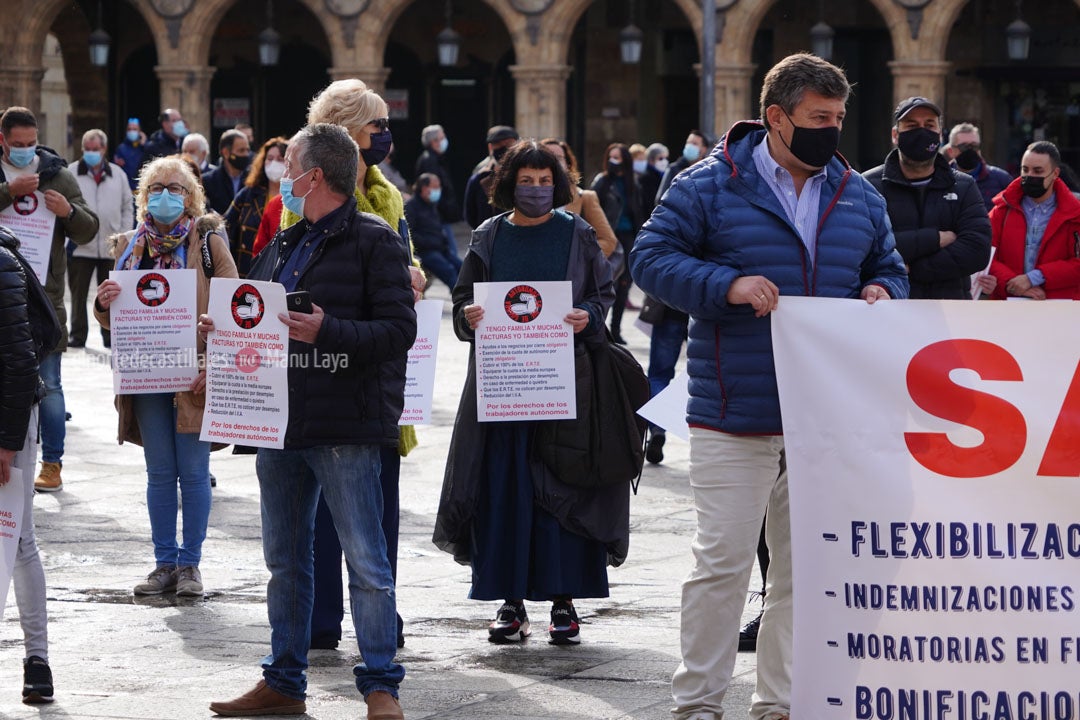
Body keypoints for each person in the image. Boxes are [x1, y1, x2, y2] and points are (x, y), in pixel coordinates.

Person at [629, 53, 909, 720]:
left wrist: (882, 289)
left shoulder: (858, 193)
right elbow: (649, 259)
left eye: (838, 118)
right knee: (722, 565)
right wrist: (725, 285)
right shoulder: (706, 186)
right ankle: (697, 705)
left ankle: (778, 703)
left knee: (803, 572)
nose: (832, 130)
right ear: (777, 117)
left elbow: (890, 266)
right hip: (734, 412)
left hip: (822, 422)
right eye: (820, 118)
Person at [207, 122, 414, 720]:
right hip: (279, 423)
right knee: (285, 561)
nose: (281, 176)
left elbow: (400, 332)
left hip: (346, 424)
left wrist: (329, 330)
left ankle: (381, 686)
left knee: (366, 562)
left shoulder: (377, 240)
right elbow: (255, 314)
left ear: (315, 175)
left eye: (289, 164)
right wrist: (221, 335)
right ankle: (283, 682)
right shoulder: (284, 243)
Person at [432, 139, 618, 647]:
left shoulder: (577, 233)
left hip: (564, 385)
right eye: (525, 180)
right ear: (508, 183)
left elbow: (603, 295)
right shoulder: (489, 236)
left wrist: (590, 318)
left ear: (556, 184)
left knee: (563, 491)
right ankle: (509, 602)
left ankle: (564, 602)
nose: (535, 189)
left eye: (544, 180)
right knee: (505, 491)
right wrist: (469, 315)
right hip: (504, 386)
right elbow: (465, 296)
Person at [282, 79, 424, 654]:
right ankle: (320, 622)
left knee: (375, 514)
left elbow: (397, 290)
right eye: (375, 127)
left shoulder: (387, 197)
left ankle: (379, 625)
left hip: (369, 375)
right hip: (314, 378)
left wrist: (411, 272)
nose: (386, 137)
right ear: (344, 134)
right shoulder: (297, 203)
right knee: (313, 520)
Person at [92, 156, 238, 596]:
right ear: (143, 198)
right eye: (156, 188)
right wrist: (103, 303)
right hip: (146, 377)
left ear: (190, 197)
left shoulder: (209, 244)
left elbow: (235, 307)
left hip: (193, 375)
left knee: (193, 472)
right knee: (158, 472)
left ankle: (190, 565)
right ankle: (163, 564)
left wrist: (214, 365)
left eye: (175, 188)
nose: (165, 195)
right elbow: (110, 319)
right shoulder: (127, 247)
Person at [0, 106, 99, 493]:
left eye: (31, 144)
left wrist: (68, 210)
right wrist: (10, 192)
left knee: (51, 385)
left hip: (44, 299)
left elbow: (89, 229)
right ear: (3, 140)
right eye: (17, 145)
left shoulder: (57, 174)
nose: (26, 151)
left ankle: (52, 462)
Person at [0, 225, 55, 704]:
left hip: (8, 421)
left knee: (17, 540)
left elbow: (19, 361)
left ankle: (37, 659)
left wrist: (6, 443)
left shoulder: (2, 260)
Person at [863, 97, 991, 299]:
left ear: (939, 135)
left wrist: (915, 268)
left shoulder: (964, 185)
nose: (921, 131)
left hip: (951, 314)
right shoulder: (869, 185)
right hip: (893, 310)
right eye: (912, 125)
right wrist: (936, 238)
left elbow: (976, 251)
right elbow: (868, 248)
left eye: (929, 125)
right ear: (895, 135)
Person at [977, 140, 1080, 300]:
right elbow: (985, 253)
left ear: (1055, 173)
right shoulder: (1002, 210)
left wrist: (1034, 277)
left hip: (1060, 308)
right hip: (1008, 305)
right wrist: (1013, 284)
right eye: (1025, 169)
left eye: (1038, 171)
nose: (1030, 175)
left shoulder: (1074, 213)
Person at [68, 129, 134, 349]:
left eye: (95, 149)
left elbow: (128, 206)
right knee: (78, 293)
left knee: (111, 294)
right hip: (80, 245)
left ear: (104, 149)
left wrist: (123, 237)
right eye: (87, 149)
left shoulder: (118, 174)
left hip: (111, 246)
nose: (91, 153)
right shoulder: (71, 172)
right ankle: (77, 334)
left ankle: (110, 335)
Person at [591, 142, 644, 343]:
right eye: (611, 156)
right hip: (608, 239)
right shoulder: (602, 182)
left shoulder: (633, 184)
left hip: (628, 238)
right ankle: (600, 330)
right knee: (605, 284)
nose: (614, 161)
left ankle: (616, 330)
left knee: (624, 285)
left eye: (618, 157)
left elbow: (639, 213)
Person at [539, 137, 619, 266]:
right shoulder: (526, 198)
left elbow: (608, 241)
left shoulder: (585, 198)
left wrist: (576, 258)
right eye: (547, 156)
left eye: (558, 157)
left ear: (568, 164)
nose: (552, 162)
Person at [223, 135, 286, 277]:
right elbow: (226, 224)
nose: (274, 163)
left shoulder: (294, 195)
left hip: (278, 271)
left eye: (280, 159)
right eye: (269, 159)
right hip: (246, 270)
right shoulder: (249, 193)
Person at [405, 173, 461, 290]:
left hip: (440, 249)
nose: (438, 190)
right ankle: (461, 301)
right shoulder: (411, 207)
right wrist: (430, 242)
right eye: (435, 187)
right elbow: (410, 234)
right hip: (425, 252)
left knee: (462, 267)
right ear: (424, 188)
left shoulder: (431, 205)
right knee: (449, 272)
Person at [415, 124, 462, 255]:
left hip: (440, 214)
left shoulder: (436, 159)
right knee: (450, 253)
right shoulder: (429, 161)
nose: (445, 140)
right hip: (437, 214)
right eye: (442, 137)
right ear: (434, 142)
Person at [946, 122, 1013, 211]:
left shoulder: (1002, 179)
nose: (970, 150)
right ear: (951, 151)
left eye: (974, 146)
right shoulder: (940, 179)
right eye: (964, 147)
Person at [463, 124, 519, 229]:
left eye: (508, 143)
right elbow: (470, 214)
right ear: (490, 147)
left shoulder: (525, 177)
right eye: (498, 144)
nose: (504, 148)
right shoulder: (479, 178)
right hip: (489, 239)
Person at [202, 129, 251, 215]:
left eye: (247, 150)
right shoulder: (208, 181)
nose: (246, 155)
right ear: (226, 153)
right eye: (241, 150)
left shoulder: (253, 180)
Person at [656, 129, 712, 203]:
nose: (690, 146)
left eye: (694, 144)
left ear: (704, 149)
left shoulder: (709, 171)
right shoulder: (673, 169)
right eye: (688, 143)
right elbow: (660, 199)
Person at [113, 117, 145, 190]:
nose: (132, 131)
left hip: (142, 188)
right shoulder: (121, 149)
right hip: (126, 188)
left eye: (134, 129)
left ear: (139, 131)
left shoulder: (145, 147)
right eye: (129, 129)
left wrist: (145, 144)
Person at [639, 142, 668, 216]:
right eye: (660, 158)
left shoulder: (664, 175)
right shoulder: (645, 178)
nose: (664, 161)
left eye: (666, 158)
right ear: (651, 160)